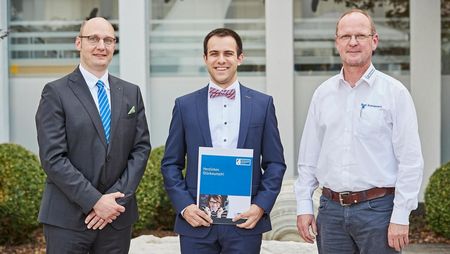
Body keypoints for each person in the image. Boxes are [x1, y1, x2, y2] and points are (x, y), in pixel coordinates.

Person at [295, 9, 423, 254]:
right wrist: (304, 206)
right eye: (345, 36)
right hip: (330, 213)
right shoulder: (323, 94)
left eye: (360, 36)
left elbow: (410, 160)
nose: (352, 42)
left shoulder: (394, 93)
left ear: (374, 41)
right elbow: (308, 158)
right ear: (337, 43)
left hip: (378, 212)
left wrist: (401, 215)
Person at [161, 28, 286, 254]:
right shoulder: (184, 105)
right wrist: (185, 207)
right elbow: (170, 164)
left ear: (240, 58)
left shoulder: (262, 104)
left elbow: (275, 163)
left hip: (245, 222)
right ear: (205, 58)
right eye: (214, 53)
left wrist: (260, 207)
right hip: (196, 223)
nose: (221, 60)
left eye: (228, 53)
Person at [35, 17, 151, 254]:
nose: (102, 46)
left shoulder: (131, 93)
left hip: (116, 221)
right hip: (68, 221)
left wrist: (114, 202)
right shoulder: (55, 92)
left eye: (108, 40)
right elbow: (53, 158)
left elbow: (140, 149)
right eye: (93, 39)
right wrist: (96, 202)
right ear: (79, 43)